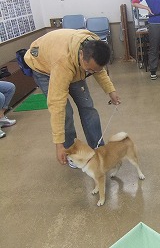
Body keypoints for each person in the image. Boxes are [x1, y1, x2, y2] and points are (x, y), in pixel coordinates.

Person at [24, 29, 121, 166]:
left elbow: (98, 70)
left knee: (88, 107)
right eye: (89, 70)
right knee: (66, 113)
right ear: (81, 55)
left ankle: (98, 149)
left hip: (72, 64)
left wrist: (111, 90)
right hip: (43, 66)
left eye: (93, 70)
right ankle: (71, 153)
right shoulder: (62, 63)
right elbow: (56, 104)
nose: (92, 73)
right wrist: (59, 145)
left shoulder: (94, 46)